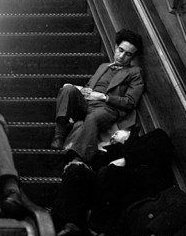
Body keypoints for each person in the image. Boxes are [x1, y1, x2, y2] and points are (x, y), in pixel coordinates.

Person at [53, 29, 145, 162]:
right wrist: (80, 90)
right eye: (120, 50)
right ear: (115, 47)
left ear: (133, 57)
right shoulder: (103, 66)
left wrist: (103, 97)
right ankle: (59, 135)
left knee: (93, 117)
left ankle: (78, 158)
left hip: (107, 109)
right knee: (68, 89)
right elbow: (90, 87)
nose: (121, 56)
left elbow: (130, 102)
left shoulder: (135, 72)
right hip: (86, 104)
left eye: (128, 54)